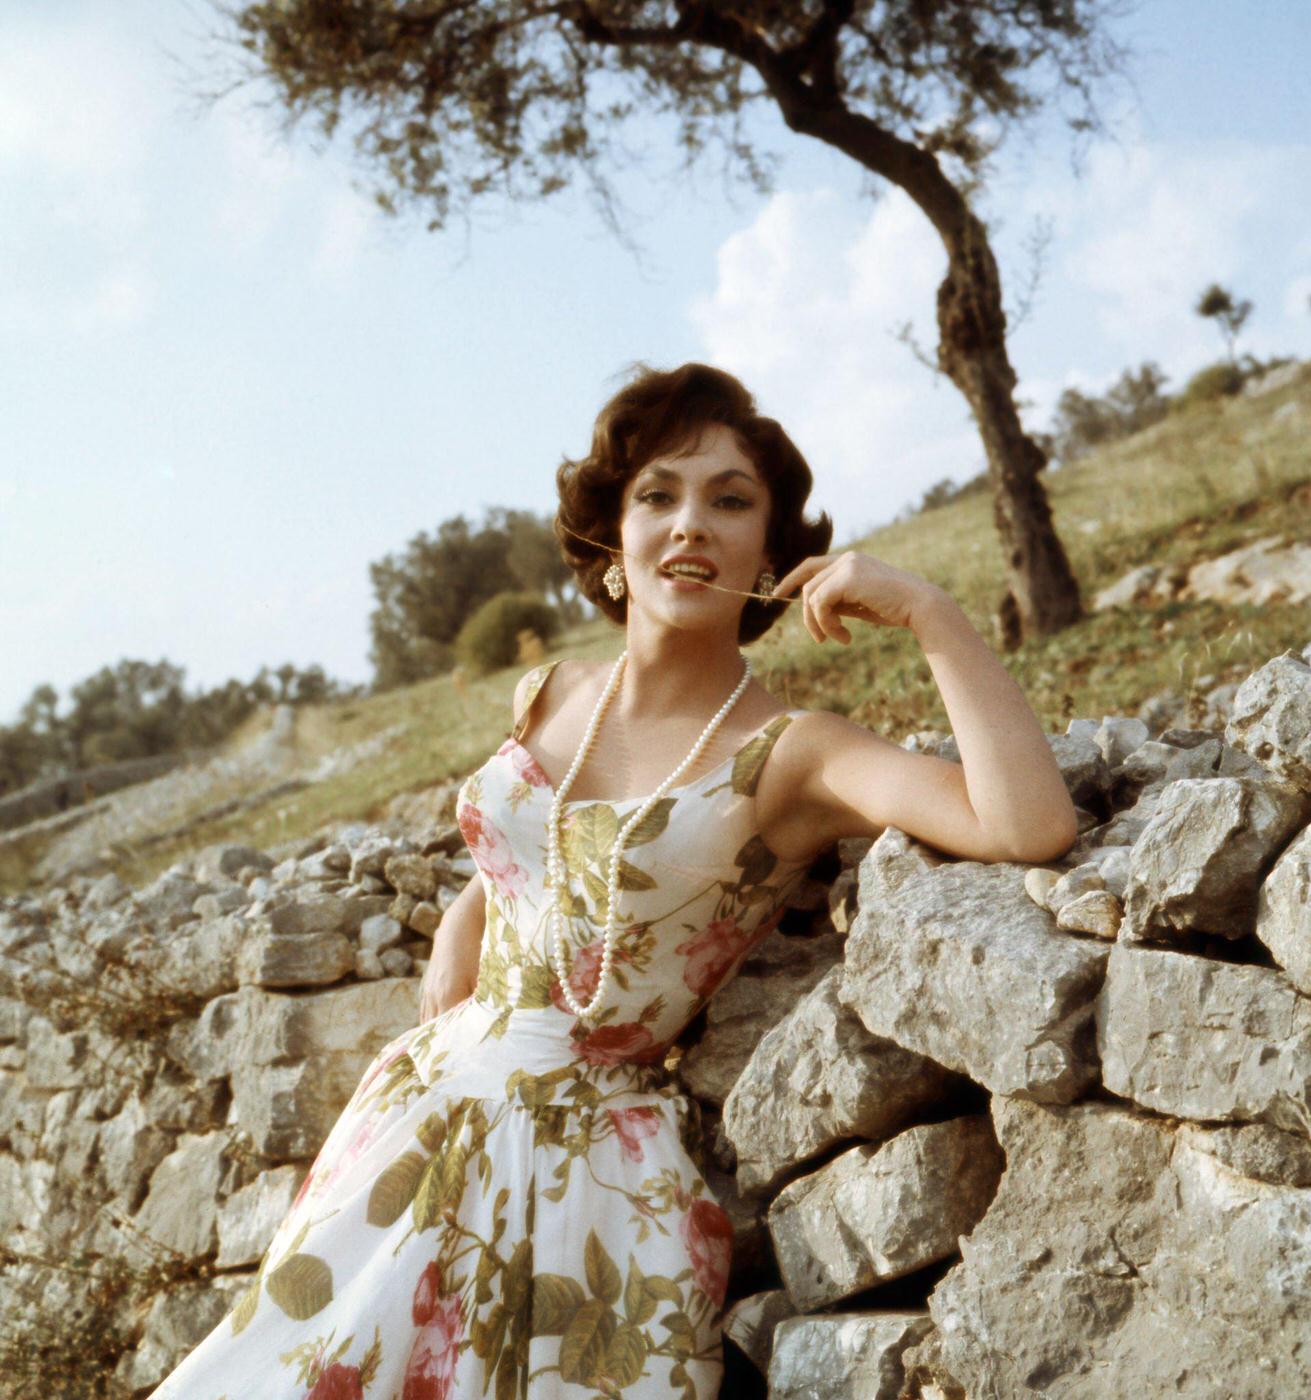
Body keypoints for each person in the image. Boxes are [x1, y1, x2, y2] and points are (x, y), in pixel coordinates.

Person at [151, 362, 1077, 1399]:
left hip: (581, 1169)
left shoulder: (791, 752)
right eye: (657, 495)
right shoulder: (550, 691)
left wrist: (925, 612)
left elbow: (1026, 822)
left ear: (771, 554)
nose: (690, 523)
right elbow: (534, 851)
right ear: (612, 540)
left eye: (729, 500)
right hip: (414, 1111)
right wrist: (468, 915)